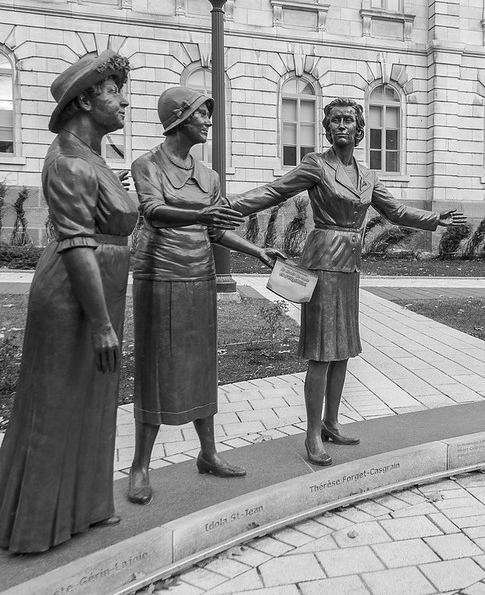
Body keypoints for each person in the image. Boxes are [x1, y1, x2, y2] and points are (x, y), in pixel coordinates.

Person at [231, 98, 466, 466]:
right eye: (335, 120)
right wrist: (230, 208)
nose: (342, 126)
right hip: (323, 264)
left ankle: (331, 423)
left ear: (359, 132)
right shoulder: (316, 165)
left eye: (349, 121)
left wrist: (434, 219)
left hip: (350, 268)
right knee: (321, 352)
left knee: (342, 349)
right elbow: (274, 191)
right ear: (327, 129)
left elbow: (396, 211)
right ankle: (311, 435)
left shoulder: (367, 177)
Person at [0, 50, 137, 553]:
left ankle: (85, 506)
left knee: (94, 397)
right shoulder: (69, 161)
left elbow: (100, 219)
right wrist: (102, 323)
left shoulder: (91, 158)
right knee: (56, 400)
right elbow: (77, 242)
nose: (124, 101)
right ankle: (38, 523)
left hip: (99, 287)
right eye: (113, 91)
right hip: (75, 295)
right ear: (84, 98)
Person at [127, 87, 284, 504]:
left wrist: (257, 251)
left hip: (199, 276)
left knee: (201, 364)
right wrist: (200, 213)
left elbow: (216, 228)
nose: (208, 122)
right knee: (156, 367)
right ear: (179, 119)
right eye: (202, 115)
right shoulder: (147, 164)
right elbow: (151, 211)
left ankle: (209, 453)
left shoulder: (209, 175)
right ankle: (139, 467)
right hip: (159, 276)